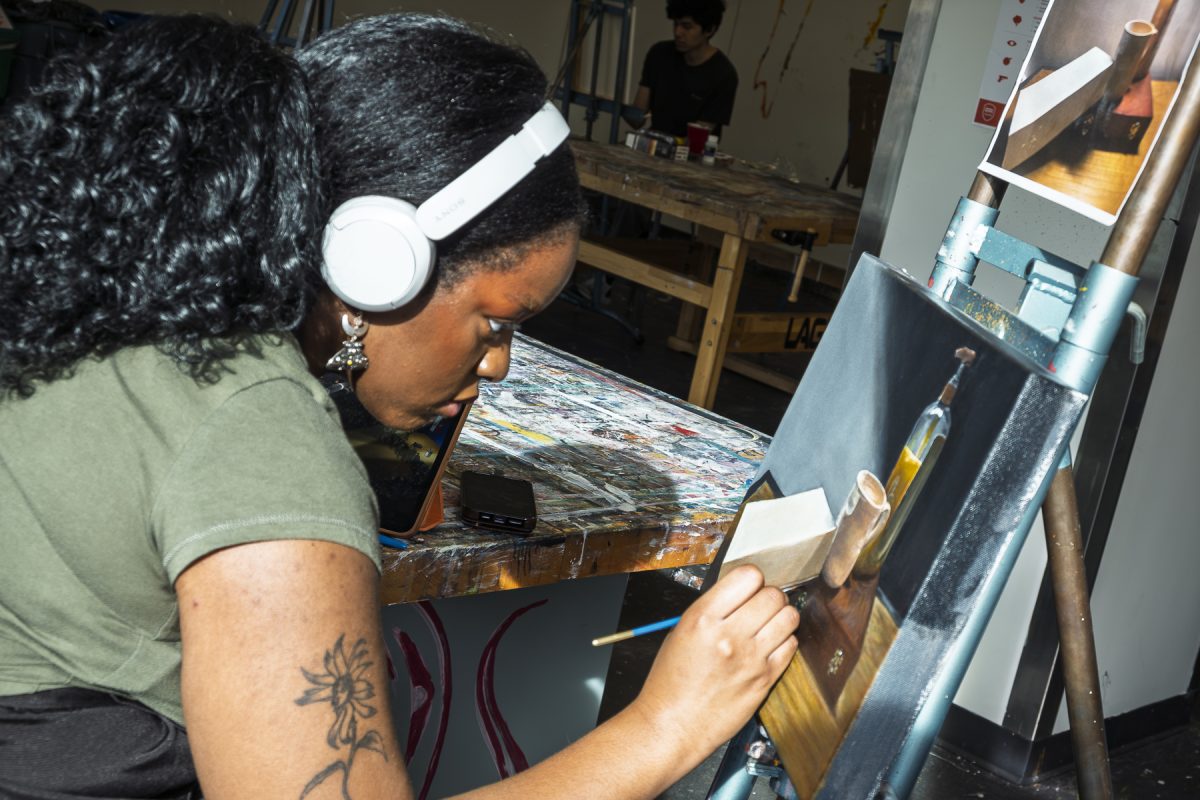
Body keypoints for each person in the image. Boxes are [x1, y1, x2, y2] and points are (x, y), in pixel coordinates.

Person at [0, 13, 798, 799]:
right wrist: (669, 724)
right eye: (496, 322)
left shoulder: (120, 283)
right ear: (377, 261)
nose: (498, 365)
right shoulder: (261, 441)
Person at [626, 0, 738, 138]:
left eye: (687, 26)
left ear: (709, 30)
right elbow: (636, 120)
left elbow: (697, 138)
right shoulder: (659, 53)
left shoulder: (724, 75)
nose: (678, 32)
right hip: (653, 145)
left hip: (689, 154)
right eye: (675, 24)